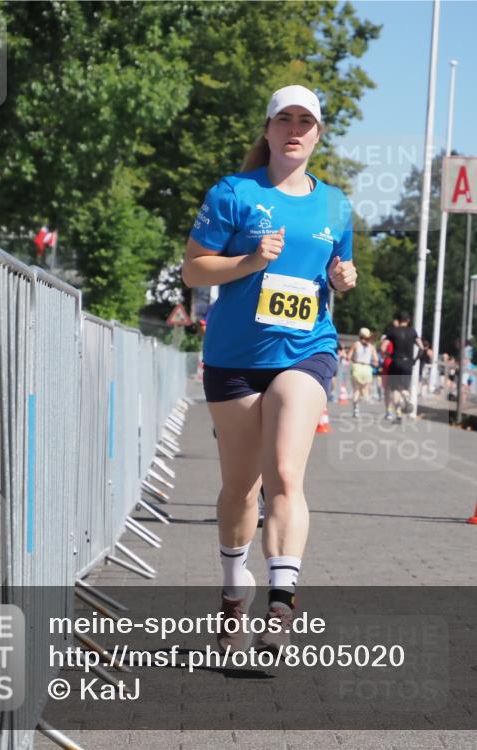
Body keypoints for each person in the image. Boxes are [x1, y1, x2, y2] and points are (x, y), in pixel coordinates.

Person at [181, 84, 358, 649]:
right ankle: (235, 588)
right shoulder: (233, 193)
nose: (295, 129)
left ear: (318, 134)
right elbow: (193, 271)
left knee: (284, 472)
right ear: (268, 129)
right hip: (234, 357)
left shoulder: (336, 204)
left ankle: (282, 602)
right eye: (285, 119)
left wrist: (343, 279)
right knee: (240, 485)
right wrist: (250, 261)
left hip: (307, 349)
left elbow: (338, 268)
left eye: (306, 121)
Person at [385, 311, 425, 421]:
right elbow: (421, 347)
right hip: (408, 363)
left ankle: (398, 414)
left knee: (395, 389)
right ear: (408, 320)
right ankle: (405, 396)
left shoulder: (393, 331)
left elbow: (383, 347)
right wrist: (415, 360)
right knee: (405, 387)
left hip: (396, 362)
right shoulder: (412, 332)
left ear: (398, 320)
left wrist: (388, 355)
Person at [348, 327, 378, 417]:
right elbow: (376, 361)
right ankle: (366, 395)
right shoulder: (371, 347)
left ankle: (356, 410)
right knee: (364, 389)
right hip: (367, 369)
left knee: (356, 390)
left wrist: (353, 361)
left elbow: (348, 357)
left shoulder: (356, 344)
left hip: (357, 367)